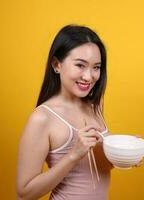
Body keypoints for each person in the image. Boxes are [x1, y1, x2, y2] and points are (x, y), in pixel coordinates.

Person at [16, 24, 114, 200]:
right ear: (56, 65)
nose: (89, 76)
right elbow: (24, 193)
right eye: (80, 65)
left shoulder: (93, 107)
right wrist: (74, 155)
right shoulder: (42, 118)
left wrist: (123, 155)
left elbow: (97, 171)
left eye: (96, 67)